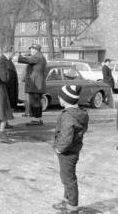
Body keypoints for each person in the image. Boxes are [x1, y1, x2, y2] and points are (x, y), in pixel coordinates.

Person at [52, 85, 88, 214]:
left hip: (67, 152)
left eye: (60, 96)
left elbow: (66, 138)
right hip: (74, 150)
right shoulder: (79, 113)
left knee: (68, 179)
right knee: (67, 176)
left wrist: (59, 149)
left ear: (65, 99)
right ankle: (66, 200)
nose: (59, 98)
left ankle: (73, 207)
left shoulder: (68, 116)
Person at [18, 44, 47, 126]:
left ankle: (36, 120)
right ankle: (38, 119)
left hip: (35, 84)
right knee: (37, 101)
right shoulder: (41, 56)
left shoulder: (37, 56)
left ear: (35, 50)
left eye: (32, 49)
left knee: (35, 102)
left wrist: (21, 55)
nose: (30, 50)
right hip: (38, 84)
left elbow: (25, 60)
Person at [2, 50, 18, 129]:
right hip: (8, 88)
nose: (13, 55)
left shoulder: (9, 61)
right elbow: (8, 76)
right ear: (9, 53)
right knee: (6, 107)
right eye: (13, 53)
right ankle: (0, 125)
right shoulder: (5, 61)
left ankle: (5, 123)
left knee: (8, 108)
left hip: (11, 88)